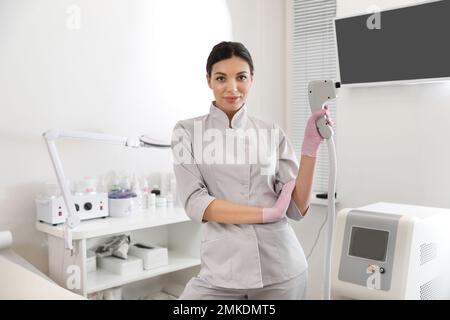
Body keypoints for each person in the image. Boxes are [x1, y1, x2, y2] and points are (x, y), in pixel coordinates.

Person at [171, 41, 331, 300]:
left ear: (252, 79)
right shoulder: (186, 132)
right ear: (208, 80)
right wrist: (267, 213)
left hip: (281, 269)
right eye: (221, 78)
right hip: (222, 272)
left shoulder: (271, 132)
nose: (232, 88)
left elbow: (297, 208)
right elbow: (195, 203)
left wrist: (310, 148)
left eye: (241, 77)